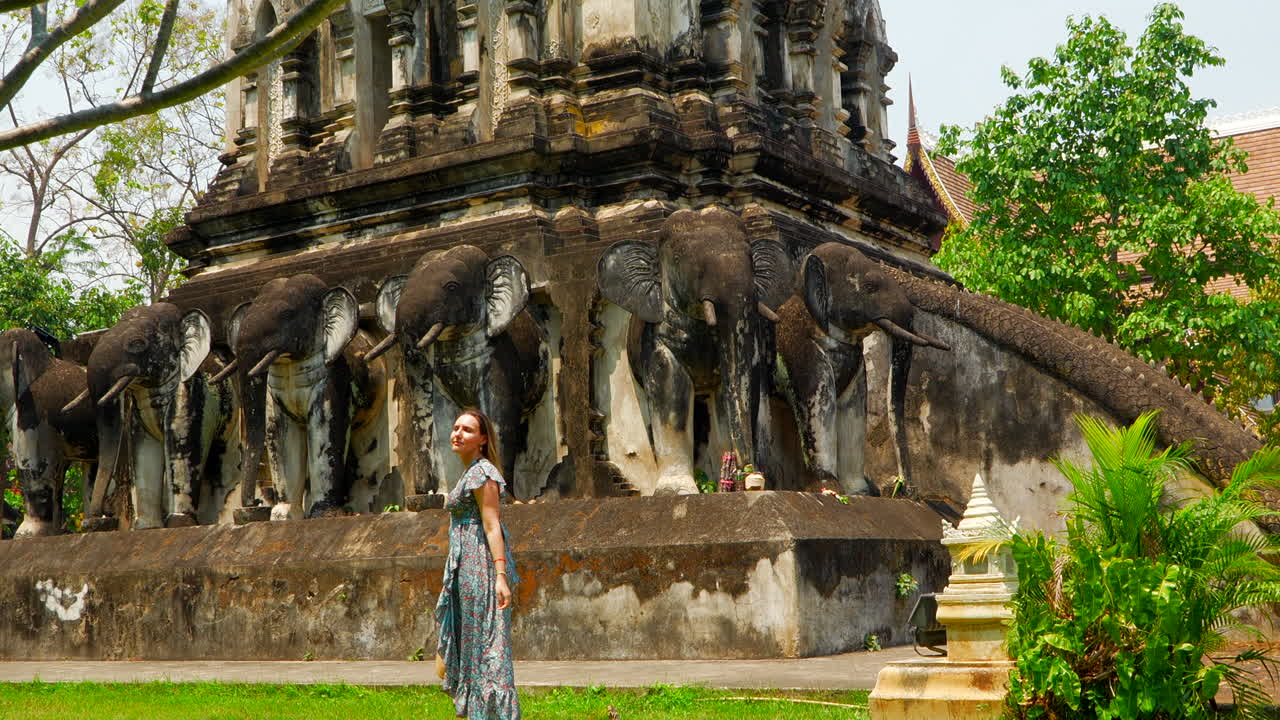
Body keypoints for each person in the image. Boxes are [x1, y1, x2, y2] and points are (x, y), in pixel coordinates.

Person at [435, 408, 521, 719]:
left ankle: (490, 712)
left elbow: (492, 525)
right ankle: (470, 711)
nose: (457, 433)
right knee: (469, 643)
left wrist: (500, 576)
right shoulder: (470, 471)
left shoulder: (482, 473)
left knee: (484, 644)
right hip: (463, 569)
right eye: (456, 427)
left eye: (467, 430)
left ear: (482, 440)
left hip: (479, 570)